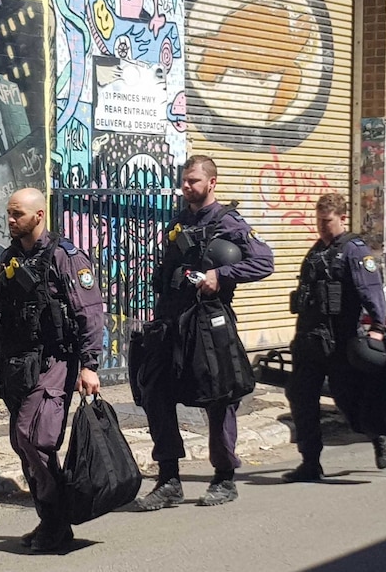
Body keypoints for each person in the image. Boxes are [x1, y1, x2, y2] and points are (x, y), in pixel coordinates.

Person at [131, 155, 274, 511]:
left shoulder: (230, 222)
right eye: (184, 180)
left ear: (212, 183)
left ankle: (224, 477)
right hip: (171, 321)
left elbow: (264, 262)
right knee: (156, 393)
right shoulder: (179, 220)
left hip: (209, 323)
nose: (186, 186)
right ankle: (168, 480)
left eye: (193, 181)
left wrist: (220, 276)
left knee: (218, 397)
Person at [0, 188, 103, 552]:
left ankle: (56, 523)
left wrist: (89, 366)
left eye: (17, 215)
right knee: (24, 444)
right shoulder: (8, 258)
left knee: (34, 438)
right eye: (9, 214)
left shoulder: (65, 257)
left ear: (39, 215)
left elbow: (90, 313)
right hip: (15, 365)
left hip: (55, 362)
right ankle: (52, 522)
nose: (10, 221)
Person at [282, 193, 386, 482]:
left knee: (347, 400)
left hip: (340, 341)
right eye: (318, 221)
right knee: (301, 398)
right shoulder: (316, 252)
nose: (321, 226)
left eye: (327, 221)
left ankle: (377, 433)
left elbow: (372, 291)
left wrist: (378, 327)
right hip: (309, 340)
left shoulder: (354, 251)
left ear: (342, 218)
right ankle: (310, 463)